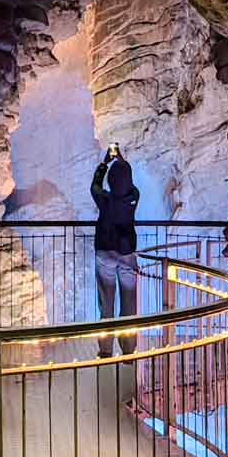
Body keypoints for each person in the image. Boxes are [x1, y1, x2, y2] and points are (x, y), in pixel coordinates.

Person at [91, 143, 139, 358]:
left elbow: (94, 186)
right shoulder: (132, 199)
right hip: (127, 254)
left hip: (105, 253)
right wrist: (121, 160)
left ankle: (106, 350)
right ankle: (128, 349)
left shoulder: (105, 200)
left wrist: (104, 164)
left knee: (106, 303)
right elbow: (129, 182)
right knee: (129, 302)